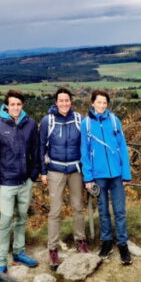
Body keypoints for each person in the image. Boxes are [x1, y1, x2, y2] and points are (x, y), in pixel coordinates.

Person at [0, 89, 42, 282]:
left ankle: (19, 253)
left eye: (19, 104)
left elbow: (36, 150)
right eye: (12, 105)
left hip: (25, 181)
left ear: (22, 105)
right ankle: (1, 262)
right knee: (5, 221)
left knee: (22, 218)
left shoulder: (29, 125)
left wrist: (34, 173)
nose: (16, 108)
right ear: (6, 106)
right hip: (6, 183)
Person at [39, 87, 90, 268]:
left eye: (67, 100)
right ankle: (53, 249)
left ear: (71, 102)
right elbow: (41, 147)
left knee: (78, 207)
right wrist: (43, 171)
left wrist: (88, 171)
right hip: (55, 170)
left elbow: (85, 145)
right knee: (55, 211)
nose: (64, 104)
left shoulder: (79, 119)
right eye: (61, 101)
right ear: (56, 102)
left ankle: (81, 241)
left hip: (76, 170)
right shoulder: (48, 121)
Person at [80, 89, 132, 265]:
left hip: (116, 174)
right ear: (92, 103)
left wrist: (126, 174)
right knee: (103, 211)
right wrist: (88, 178)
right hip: (98, 175)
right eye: (99, 102)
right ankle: (107, 242)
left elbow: (122, 148)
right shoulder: (86, 124)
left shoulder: (114, 121)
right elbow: (84, 153)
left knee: (119, 211)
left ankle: (123, 244)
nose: (102, 105)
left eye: (105, 102)